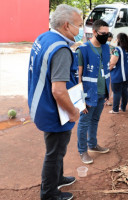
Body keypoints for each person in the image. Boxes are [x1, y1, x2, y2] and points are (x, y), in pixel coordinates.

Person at [28, 4, 82, 200]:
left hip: (41, 104)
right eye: (79, 25)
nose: (81, 30)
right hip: (54, 111)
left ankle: (57, 178)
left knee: (57, 149)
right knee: (55, 152)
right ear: (67, 25)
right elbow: (59, 91)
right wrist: (74, 112)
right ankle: (49, 194)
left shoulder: (44, 37)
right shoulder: (61, 50)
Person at [76, 19, 111, 164]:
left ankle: (93, 145)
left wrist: (108, 92)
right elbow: (77, 78)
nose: (106, 36)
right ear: (94, 32)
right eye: (103, 33)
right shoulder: (83, 50)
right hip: (89, 94)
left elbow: (106, 70)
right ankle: (82, 151)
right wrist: (80, 100)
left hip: (102, 92)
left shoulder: (106, 48)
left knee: (95, 120)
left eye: (108, 33)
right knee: (84, 122)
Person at [109, 33, 128, 113]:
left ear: (119, 40)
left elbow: (112, 63)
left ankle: (115, 109)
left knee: (116, 92)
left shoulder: (117, 50)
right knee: (124, 91)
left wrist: (106, 70)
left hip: (118, 75)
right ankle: (123, 108)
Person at [105, 32, 114, 106]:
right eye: (108, 40)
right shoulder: (100, 47)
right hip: (102, 69)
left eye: (110, 40)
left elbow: (114, 60)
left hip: (109, 69)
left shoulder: (112, 48)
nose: (109, 41)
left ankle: (107, 100)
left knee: (108, 85)